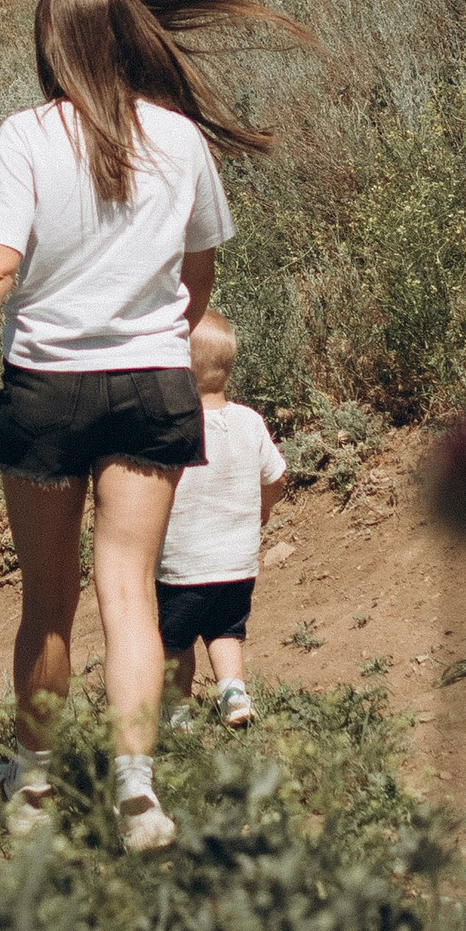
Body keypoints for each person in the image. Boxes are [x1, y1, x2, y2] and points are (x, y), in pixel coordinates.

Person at [0, 0, 303, 852]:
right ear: (127, 38)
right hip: (152, 386)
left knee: (47, 602)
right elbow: (199, 272)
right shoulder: (177, 137)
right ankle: (138, 793)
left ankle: (36, 787)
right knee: (128, 589)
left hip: (47, 389)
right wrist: (157, 327)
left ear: (52, 45)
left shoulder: (26, 135)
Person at [155, 310, 288, 727]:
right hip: (237, 563)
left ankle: (177, 713)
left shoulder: (172, 428)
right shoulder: (249, 422)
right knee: (226, 632)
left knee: (175, 642)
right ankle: (233, 693)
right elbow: (276, 476)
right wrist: (264, 508)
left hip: (181, 566)